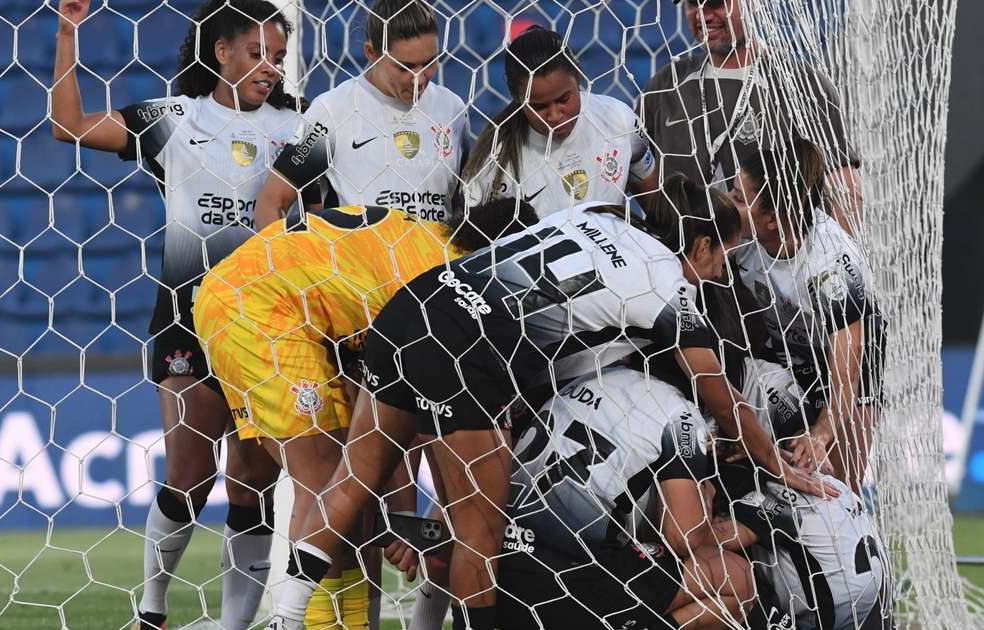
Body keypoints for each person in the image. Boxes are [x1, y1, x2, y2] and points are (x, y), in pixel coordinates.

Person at [268, 176, 836, 630]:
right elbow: (722, 395)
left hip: (418, 301)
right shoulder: (669, 285)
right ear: (703, 243)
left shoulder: (593, 215)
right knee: (479, 537)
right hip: (471, 352)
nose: (720, 273)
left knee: (349, 483)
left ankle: (284, 617)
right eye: (721, 258)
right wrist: (770, 460)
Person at [51, 1, 303, 627]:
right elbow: (69, 125)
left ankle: (236, 625)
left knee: (252, 484)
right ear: (221, 51)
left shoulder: (297, 127)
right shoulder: (175, 119)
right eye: (257, 54)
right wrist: (66, 32)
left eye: (277, 57)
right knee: (189, 473)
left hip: (267, 324)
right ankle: (153, 609)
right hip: (189, 318)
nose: (269, 68)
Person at [193, 200, 538, 630]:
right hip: (259, 309)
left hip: (273, 304)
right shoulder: (453, 288)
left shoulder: (423, 243)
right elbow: (437, 422)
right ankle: (295, 622)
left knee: (348, 499)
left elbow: (389, 412)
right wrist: (414, 519)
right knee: (323, 488)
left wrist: (405, 519)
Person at [495, 366, 752, 630]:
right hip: (572, 585)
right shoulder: (680, 414)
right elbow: (683, 537)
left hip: (500, 565)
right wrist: (705, 498)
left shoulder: (593, 374)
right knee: (736, 577)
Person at [728, 137, 886, 493]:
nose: (726, 203)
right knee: (774, 476)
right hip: (783, 353)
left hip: (852, 365)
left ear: (771, 220)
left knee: (840, 490)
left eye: (738, 198)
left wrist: (822, 432)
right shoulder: (737, 238)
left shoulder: (830, 263)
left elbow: (848, 361)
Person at [638, 0, 862, 231]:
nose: (703, 16)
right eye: (693, 4)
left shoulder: (802, 86)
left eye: (715, 3)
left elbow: (844, 189)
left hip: (776, 262)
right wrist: (670, 236)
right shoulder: (666, 85)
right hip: (684, 260)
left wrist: (844, 260)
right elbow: (636, 170)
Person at [713, 357, 893, 630]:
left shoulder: (772, 498)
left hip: (835, 617)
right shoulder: (835, 485)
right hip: (876, 608)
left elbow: (704, 538)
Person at [254, 0, 468, 228]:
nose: (420, 78)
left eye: (429, 63)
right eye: (405, 67)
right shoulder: (333, 110)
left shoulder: (451, 108)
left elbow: (461, 205)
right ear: (371, 53)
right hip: (359, 261)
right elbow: (271, 202)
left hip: (435, 260)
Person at [461, 26, 658, 218]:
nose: (554, 116)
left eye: (564, 99)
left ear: (579, 75)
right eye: (539, 107)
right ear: (517, 97)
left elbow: (658, 209)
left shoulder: (618, 119)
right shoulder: (494, 162)